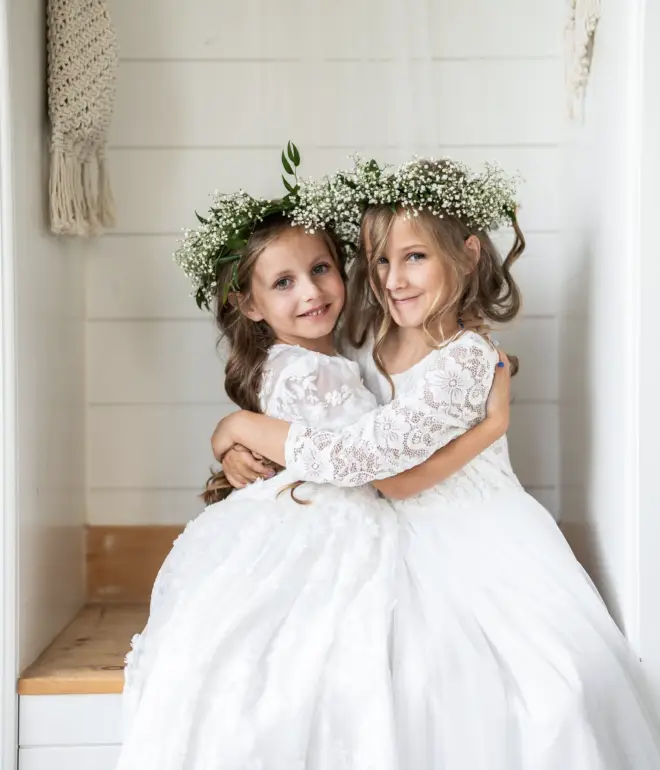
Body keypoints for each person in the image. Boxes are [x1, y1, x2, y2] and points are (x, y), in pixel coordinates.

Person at [211, 156, 660, 770]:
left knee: (539, 693)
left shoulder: (468, 360)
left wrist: (494, 425)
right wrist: (231, 439)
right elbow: (332, 427)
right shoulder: (370, 336)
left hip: (476, 533)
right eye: (381, 261)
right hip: (402, 532)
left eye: (415, 257)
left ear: (468, 254)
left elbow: (389, 477)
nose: (394, 279)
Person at [117, 150, 511, 770]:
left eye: (321, 269)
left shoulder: (342, 353)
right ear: (249, 305)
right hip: (337, 516)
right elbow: (360, 461)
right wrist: (235, 426)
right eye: (283, 283)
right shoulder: (307, 371)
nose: (311, 292)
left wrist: (234, 431)